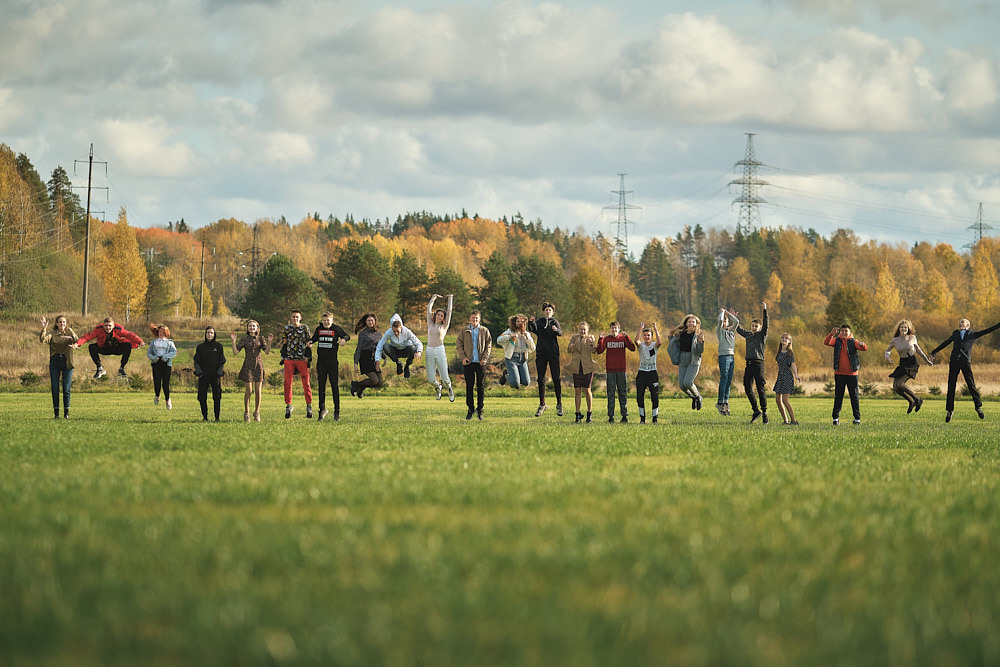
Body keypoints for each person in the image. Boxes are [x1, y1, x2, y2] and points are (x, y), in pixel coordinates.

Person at [930, 316, 1000, 422]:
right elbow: (946, 342)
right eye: (960, 323)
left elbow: (987, 331)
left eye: (963, 322)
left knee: (971, 384)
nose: (961, 323)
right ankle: (949, 411)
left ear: (968, 325)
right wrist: (934, 352)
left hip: (965, 361)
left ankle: (978, 407)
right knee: (951, 385)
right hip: (954, 361)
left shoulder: (972, 334)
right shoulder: (956, 333)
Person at [884, 319, 933, 414]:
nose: (904, 329)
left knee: (900, 384)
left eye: (905, 327)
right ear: (899, 329)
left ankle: (917, 399)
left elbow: (918, 350)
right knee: (895, 387)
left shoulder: (912, 338)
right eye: (902, 327)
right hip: (902, 363)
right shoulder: (895, 340)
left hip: (911, 362)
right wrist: (887, 357)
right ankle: (911, 401)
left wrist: (927, 360)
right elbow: (887, 350)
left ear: (908, 328)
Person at [824, 324, 869, 425]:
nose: (844, 333)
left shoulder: (853, 342)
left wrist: (862, 344)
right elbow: (826, 342)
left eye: (846, 331)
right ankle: (835, 418)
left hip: (852, 374)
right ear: (840, 332)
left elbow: (864, 348)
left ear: (850, 332)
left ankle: (857, 418)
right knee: (838, 396)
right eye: (842, 331)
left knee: (854, 396)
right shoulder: (836, 340)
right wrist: (831, 334)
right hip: (839, 374)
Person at [74, 317, 144, 379]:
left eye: (110, 326)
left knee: (128, 345)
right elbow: (87, 336)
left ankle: (121, 369)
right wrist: (77, 344)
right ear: (103, 325)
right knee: (92, 347)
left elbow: (130, 335)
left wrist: (140, 342)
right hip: (105, 348)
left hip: (117, 348)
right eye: (106, 326)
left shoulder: (119, 329)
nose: (107, 328)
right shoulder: (98, 329)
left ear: (113, 325)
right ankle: (100, 368)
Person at [311, 313, 351, 421]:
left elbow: (347, 336)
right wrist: (310, 342)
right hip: (321, 362)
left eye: (328, 320)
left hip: (332, 361)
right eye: (324, 320)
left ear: (332, 321)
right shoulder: (319, 329)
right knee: (321, 386)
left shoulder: (336, 328)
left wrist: (343, 340)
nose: (326, 322)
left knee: (334, 386)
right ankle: (322, 410)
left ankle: (336, 411)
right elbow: (314, 338)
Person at [733, 303, 769, 424]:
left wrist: (765, 311)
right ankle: (756, 410)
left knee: (760, 388)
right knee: (747, 387)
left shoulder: (761, 335)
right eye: (752, 326)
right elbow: (737, 328)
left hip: (758, 364)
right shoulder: (748, 335)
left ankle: (764, 413)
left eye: (756, 326)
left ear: (759, 328)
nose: (754, 328)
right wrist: (734, 318)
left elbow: (766, 326)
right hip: (748, 364)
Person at [231, 320, 273, 423]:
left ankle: (257, 412)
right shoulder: (244, 339)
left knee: (258, 391)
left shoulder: (260, 339)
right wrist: (233, 341)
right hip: (248, 366)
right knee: (249, 390)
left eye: (254, 326)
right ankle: (247, 413)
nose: (252, 328)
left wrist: (269, 342)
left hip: (258, 366)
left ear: (257, 328)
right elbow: (235, 352)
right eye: (250, 326)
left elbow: (267, 352)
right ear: (247, 328)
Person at [528, 302, 564, 417]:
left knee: (556, 379)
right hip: (541, 353)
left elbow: (561, 333)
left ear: (553, 312)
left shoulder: (555, 322)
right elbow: (533, 330)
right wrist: (531, 322)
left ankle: (559, 404)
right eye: (546, 310)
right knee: (541, 379)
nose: (548, 312)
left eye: (550, 310)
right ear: (543, 312)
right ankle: (542, 405)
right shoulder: (539, 321)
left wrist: (556, 330)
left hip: (553, 353)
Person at [455, 310, 493, 420]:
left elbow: (489, 345)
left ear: (479, 319)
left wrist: (484, 358)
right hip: (468, 362)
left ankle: (480, 409)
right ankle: (470, 409)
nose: (474, 320)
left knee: (480, 386)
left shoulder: (484, 330)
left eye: (476, 318)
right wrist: (463, 357)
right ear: (470, 318)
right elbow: (459, 344)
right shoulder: (464, 330)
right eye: (473, 317)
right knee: (469, 386)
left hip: (480, 362)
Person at [597, 320, 635, 422]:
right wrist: (600, 339)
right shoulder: (606, 339)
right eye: (612, 328)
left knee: (623, 393)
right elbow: (599, 351)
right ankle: (611, 416)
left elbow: (632, 348)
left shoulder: (622, 338)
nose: (614, 330)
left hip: (621, 370)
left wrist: (627, 337)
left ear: (619, 329)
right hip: (610, 371)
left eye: (616, 328)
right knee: (611, 394)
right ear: (610, 329)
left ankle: (624, 416)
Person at [40, 315, 77, 419]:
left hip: (67, 362)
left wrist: (71, 336)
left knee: (66, 388)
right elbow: (43, 340)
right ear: (56, 324)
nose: (62, 324)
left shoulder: (69, 332)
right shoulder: (52, 334)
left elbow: (77, 340)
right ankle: (56, 414)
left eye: (64, 322)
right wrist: (44, 329)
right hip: (55, 362)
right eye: (60, 322)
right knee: (55, 388)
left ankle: (66, 413)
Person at [667, 314, 705, 411]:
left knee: (687, 382)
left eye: (693, 322)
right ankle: (694, 397)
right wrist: (670, 336)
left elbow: (700, 351)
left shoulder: (698, 334)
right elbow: (673, 344)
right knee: (682, 385)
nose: (691, 323)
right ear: (686, 323)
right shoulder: (681, 334)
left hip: (693, 360)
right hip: (682, 359)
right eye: (689, 322)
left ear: (696, 324)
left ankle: (698, 396)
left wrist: (701, 342)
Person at [281, 309, 313, 419]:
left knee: (306, 382)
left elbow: (309, 343)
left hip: (301, 359)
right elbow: (285, 343)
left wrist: (308, 357)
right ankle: (288, 405)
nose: (295, 319)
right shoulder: (287, 328)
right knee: (287, 382)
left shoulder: (305, 328)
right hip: (289, 359)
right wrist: (283, 356)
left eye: (297, 317)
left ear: (300, 318)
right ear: (291, 318)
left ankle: (309, 405)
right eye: (293, 317)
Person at [567, 321, 598, 423]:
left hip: (587, 367)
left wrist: (592, 344)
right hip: (577, 367)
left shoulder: (590, 337)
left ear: (587, 330)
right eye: (581, 329)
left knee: (587, 390)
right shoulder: (574, 337)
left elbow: (594, 350)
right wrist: (570, 347)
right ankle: (578, 414)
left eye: (584, 329)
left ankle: (589, 414)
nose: (582, 331)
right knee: (577, 391)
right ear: (578, 329)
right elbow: (569, 350)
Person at [375, 314, 423, 379]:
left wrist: (419, 352)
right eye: (394, 331)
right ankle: (398, 363)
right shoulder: (388, 332)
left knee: (413, 348)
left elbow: (418, 342)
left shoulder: (407, 332)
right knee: (385, 346)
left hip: (406, 350)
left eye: (398, 331)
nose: (396, 333)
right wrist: (377, 360)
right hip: (395, 351)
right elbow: (380, 345)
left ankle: (407, 366)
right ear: (392, 328)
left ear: (401, 328)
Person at [426, 294, 455, 401]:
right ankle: (438, 387)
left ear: (443, 318)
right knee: (430, 378)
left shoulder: (444, 326)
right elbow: (428, 309)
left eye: (441, 315)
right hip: (429, 350)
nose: (439, 316)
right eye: (438, 314)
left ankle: (449, 388)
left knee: (444, 376)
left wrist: (450, 298)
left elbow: (450, 311)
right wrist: (434, 297)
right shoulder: (430, 324)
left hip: (439, 350)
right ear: (435, 316)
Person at [194, 326, 226, 422]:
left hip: (215, 375)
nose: (210, 334)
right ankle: (205, 417)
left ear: (214, 334)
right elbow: (196, 361)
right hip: (203, 375)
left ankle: (217, 417)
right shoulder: (200, 347)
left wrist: (219, 373)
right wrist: (199, 373)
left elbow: (222, 361)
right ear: (205, 334)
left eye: (211, 333)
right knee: (201, 397)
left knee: (217, 397)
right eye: (208, 332)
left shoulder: (219, 346)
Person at [498, 313, 535, 389]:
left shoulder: (527, 334)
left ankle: (512, 376)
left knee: (526, 382)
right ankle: (506, 377)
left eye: (522, 321)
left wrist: (528, 338)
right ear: (514, 322)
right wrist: (510, 336)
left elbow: (532, 349)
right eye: (518, 321)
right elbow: (499, 340)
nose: (520, 323)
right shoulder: (510, 331)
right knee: (515, 384)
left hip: (523, 359)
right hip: (511, 358)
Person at [351, 313, 384, 399]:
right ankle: (356, 385)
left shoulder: (379, 334)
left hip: (375, 358)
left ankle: (360, 387)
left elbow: (380, 347)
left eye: (371, 320)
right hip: (365, 358)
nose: (370, 322)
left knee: (380, 382)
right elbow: (359, 348)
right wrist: (355, 363)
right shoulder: (363, 333)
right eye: (368, 321)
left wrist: (385, 358)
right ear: (365, 322)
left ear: (375, 321)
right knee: (374, 380)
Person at [634, 322, 661, 424]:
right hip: (642, 373)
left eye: (648, 335)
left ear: (651, 336)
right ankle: (642, 418)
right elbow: (636, 341)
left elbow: (660, 342)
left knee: (655, 397)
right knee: (640, 397)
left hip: (652, 373)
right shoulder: (641, 345)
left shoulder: (654, 345)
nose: (646, 337)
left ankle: (654, 418)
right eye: (644, 335)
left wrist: (656, 329)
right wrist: (640, 328)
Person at [147, 324, 178, 410]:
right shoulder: (154, 342)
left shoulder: (169, 342)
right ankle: (157, 395)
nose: (161, 333)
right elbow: (149, 353)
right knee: (157, 382)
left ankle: (167, 400)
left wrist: (166, 357)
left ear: (166, 333)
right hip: (156, 363)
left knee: (165, 384)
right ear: (157, 332)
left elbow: (174, 352)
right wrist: (153, 358)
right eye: (160, 331)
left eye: (163, 332)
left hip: (166, 363)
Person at [716, 308, 740, 416]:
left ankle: (725, 402)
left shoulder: (731, 331)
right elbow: (720, 321)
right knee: (724, 379)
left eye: (726, 321)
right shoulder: (719, 331)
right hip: (723, 356)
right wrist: (722, 312)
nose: (725, 322)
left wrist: (728, 314)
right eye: (724, 321)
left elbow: (736, 321)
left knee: (729, 381)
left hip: (731, 356)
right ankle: (720, 402)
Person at [773, 333, 801, 425]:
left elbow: (793, 364)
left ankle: (794, 421)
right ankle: (785, 421)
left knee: (785, 400)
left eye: (786, 338)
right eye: (783, 338)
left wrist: (796, 375)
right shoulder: (779, 352)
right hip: (780, 377)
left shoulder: (790, 353)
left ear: (789, 341)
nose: (784, 339)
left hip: (787, 377)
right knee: (778, 400)